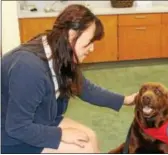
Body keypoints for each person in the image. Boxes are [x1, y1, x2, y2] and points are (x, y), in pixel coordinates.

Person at [1, 4, 137, 154]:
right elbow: (17, 127)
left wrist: (125, 100)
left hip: (39, 119)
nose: (92, 49)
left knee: (90, 137)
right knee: (83, 148)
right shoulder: (29, 68)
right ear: (71, 35)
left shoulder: (58, 50)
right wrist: (61, 135)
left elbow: (84, 88)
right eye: (90, 42)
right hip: (11, 137)